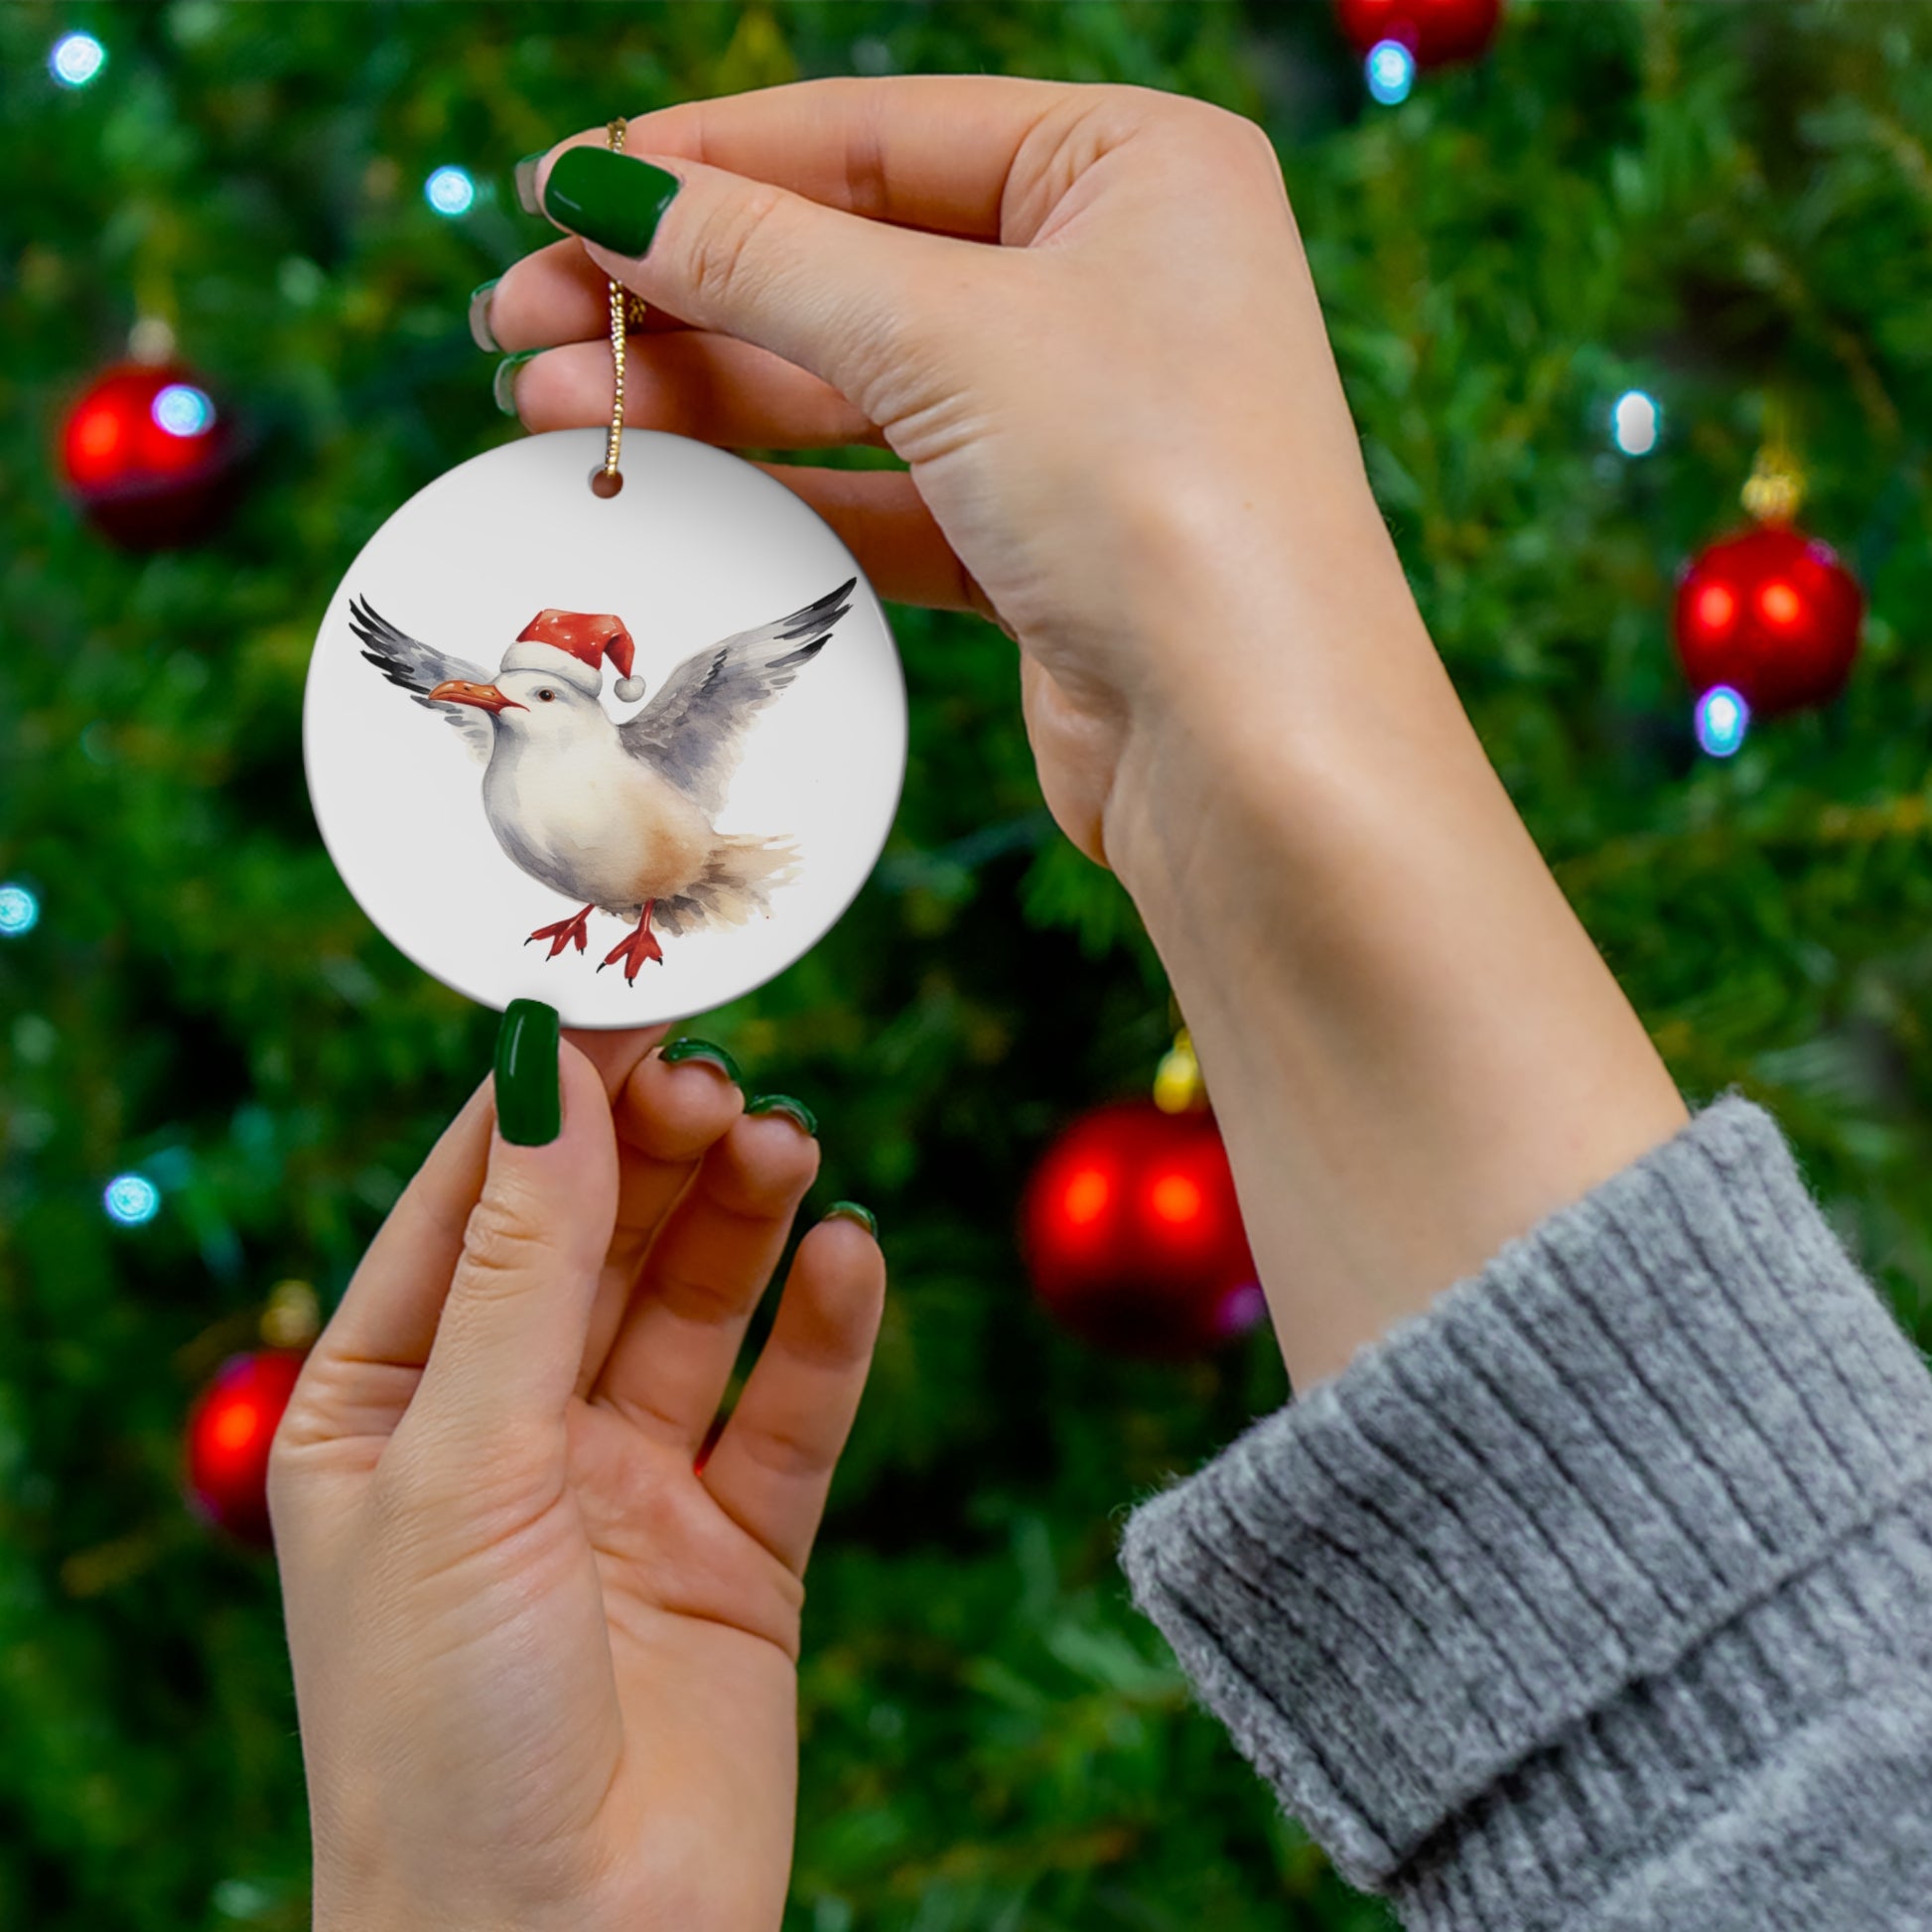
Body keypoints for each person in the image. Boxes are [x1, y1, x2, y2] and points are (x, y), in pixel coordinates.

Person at [268, 74, 1932, 1932]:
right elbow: (1784, 1783)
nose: (502, 700)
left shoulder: (647, 722)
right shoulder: (501, 722)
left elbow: (1789, 1788)